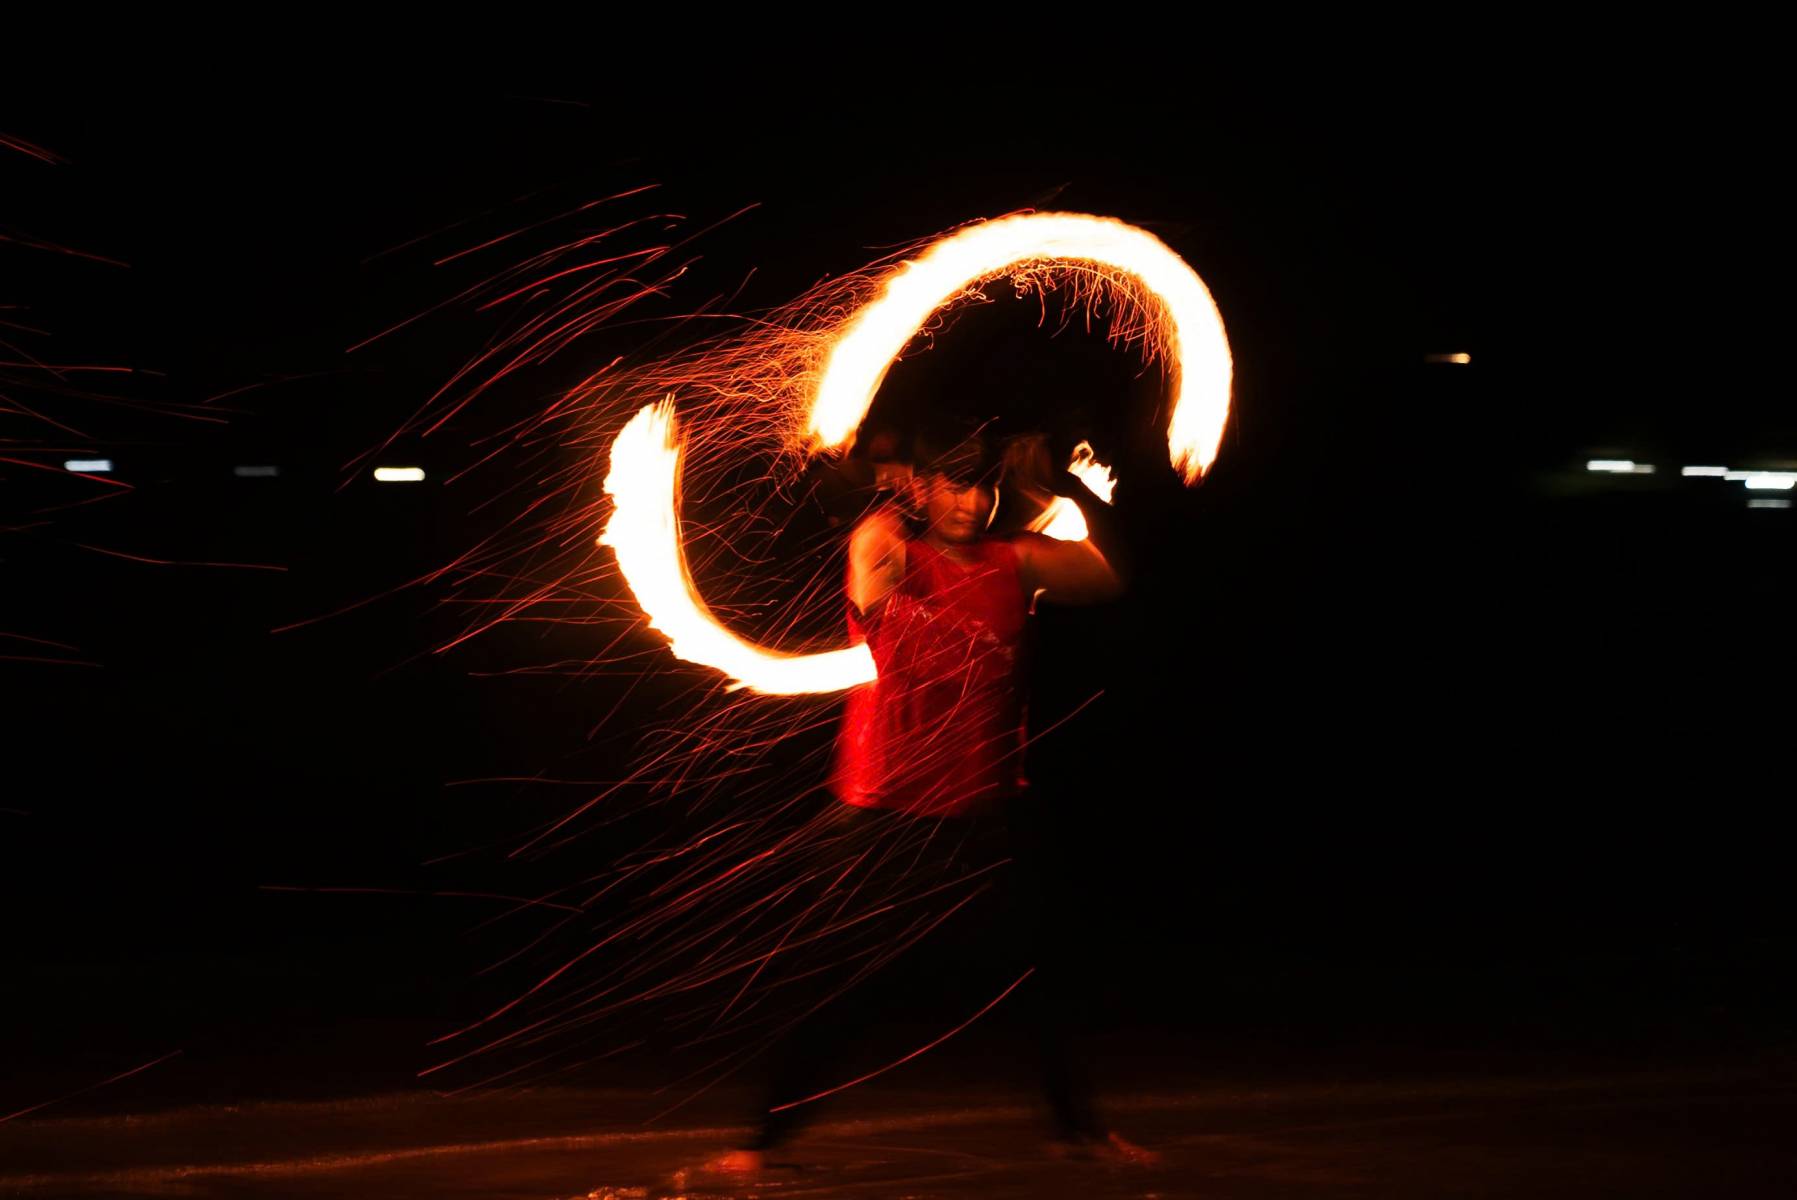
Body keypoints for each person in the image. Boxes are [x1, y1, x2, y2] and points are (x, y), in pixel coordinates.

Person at [705, 422, 1157, 1176]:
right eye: (952, 484)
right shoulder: (891, 553)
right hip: (879, 812)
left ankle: (1077, 1129)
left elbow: (1107, 576)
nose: (969, 501)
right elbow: (869, 576)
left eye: (981, 486)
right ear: (926, 488)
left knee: (1040, 976)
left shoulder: (1013, 565)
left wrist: (1058, 486)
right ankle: (762, 1143)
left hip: (979, 809)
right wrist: (887, 491)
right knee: (840, 987)